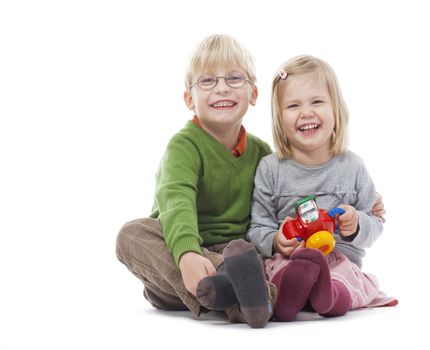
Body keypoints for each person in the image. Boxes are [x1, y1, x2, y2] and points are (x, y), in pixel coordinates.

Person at [115, 34, 275, 328]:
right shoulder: (183, 146)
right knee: (130, 235)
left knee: (250, 257)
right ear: (190, 99)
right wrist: (188, 253)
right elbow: (176, 201)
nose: (222, 88)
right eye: (208, 81)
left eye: (234, 78)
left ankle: (240, 295)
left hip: (237, 253)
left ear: (253, 93)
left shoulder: (263, 153)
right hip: (176, 255)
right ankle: (244, 293)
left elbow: (283, 198)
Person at [246, 55, 397, 321]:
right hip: (290, 261)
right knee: (277, 272)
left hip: (340, 263)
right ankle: (289, 296)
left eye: (317, 101)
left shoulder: (353, 167)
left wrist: (357, 224)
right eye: (293, 105)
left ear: (336, 110)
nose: (306, 113)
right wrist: (275, 241)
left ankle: (330, 297)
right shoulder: (271, 168)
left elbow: (376, 224)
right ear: (279, 118)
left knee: (344, 278)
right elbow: (257, 227)